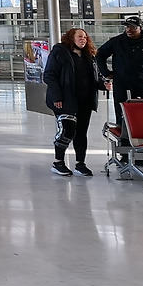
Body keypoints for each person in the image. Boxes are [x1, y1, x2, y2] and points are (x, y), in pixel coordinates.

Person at [96, 15, 143, 168]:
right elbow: (100, 55)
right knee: (122, 118)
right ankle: (124, 153)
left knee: (142, 119)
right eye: (127, 27)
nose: (129, 30)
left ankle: (141, 155)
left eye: (133, 27)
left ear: (140, 28)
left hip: (141, 86)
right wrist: (106, 73)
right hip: (121, 85)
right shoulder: (117, 42)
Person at [43, 28, 107, 177]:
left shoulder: (88, 55)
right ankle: (58, 162)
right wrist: (57, 97)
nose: (83, 39)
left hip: (85, 101)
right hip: (65, 101)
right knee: (67, 130)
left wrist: (103, 84)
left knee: (81, 133)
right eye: (80, 37)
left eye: (85, 37)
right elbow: (49, 76)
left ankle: (80, 163)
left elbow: (95, 76)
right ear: (71, 38)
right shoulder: (60, 52)